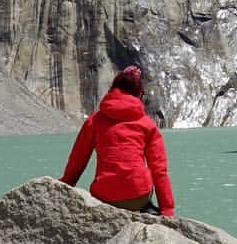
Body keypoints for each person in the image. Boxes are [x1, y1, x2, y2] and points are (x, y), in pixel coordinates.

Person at [59, 65, 175, 217]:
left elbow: (77, 161)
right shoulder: (147, 124)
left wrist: (63, 188)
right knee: (142, 186)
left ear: (112, 90)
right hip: (138, 197)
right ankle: (147, 211)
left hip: (105, 197)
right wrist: (167, 210)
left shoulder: (94, 121)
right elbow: (159, 170)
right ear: (139, 94)